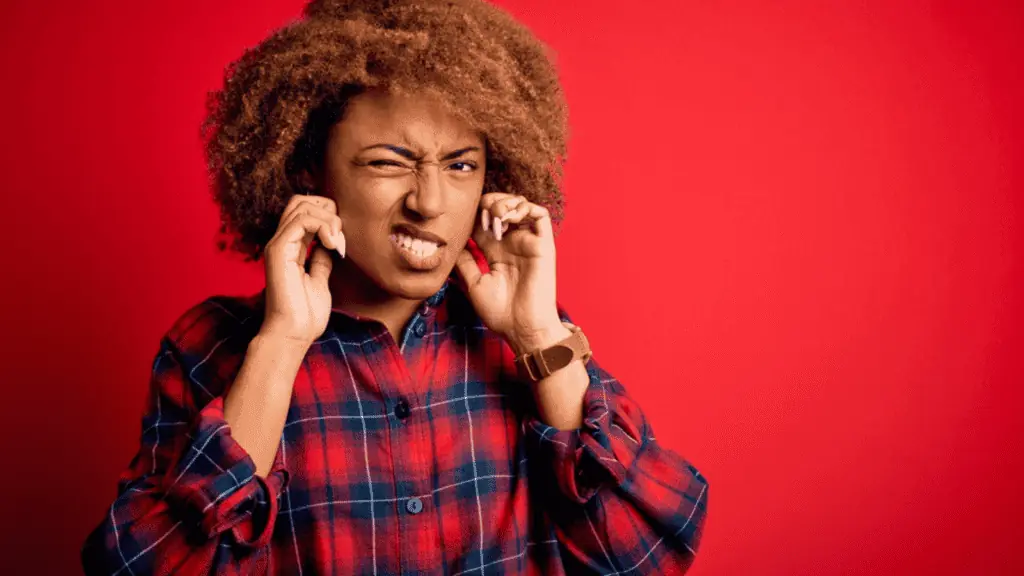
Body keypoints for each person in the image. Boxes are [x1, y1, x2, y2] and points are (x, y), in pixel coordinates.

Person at [81, 0, 709, 573]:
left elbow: (643, 560)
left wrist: (539, 336)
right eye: (389, 161)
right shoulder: (208, 348)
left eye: (461, 165)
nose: (430, 202)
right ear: (307, 168)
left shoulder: (529, 344)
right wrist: (280, 347)